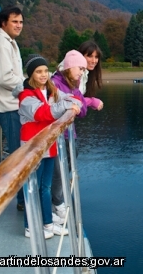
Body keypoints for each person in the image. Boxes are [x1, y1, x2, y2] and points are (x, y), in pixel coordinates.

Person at [15, 54, 81, 239]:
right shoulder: (26, 97)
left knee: (45, 187)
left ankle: (47, 224)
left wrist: (73, 104)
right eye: (38, 71)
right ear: (30, 75)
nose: (44, 75)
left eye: (45, 70)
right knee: (33, 188)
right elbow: (42, 113)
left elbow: (72, 98)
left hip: (48, 145)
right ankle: (30, 227)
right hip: (33, 146)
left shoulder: (50, 90)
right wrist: (67, 108)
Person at [0, 7, 26, 210]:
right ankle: (22, 201)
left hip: (13, 105)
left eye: (21, 22)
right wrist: (28, 86)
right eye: (15, 21)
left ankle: (22, 198)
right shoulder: (0, 43)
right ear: (3, 23)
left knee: (19, 152)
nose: (19, 25)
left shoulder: (10, 43)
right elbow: (4, 77)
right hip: (7, 107)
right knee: (19, 154)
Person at [50, 50, 92, 220]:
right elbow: (56, 109)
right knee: (58, 171)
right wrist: (74, 104)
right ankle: (57, 203)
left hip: (69, 135)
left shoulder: (73, 84)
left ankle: (58, 199)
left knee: (67, 165)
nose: (82, 72)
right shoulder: (55, 84)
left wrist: (77, 104)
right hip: (58, 136)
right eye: (80, 68)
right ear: (70, 67)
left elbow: (82, 111)